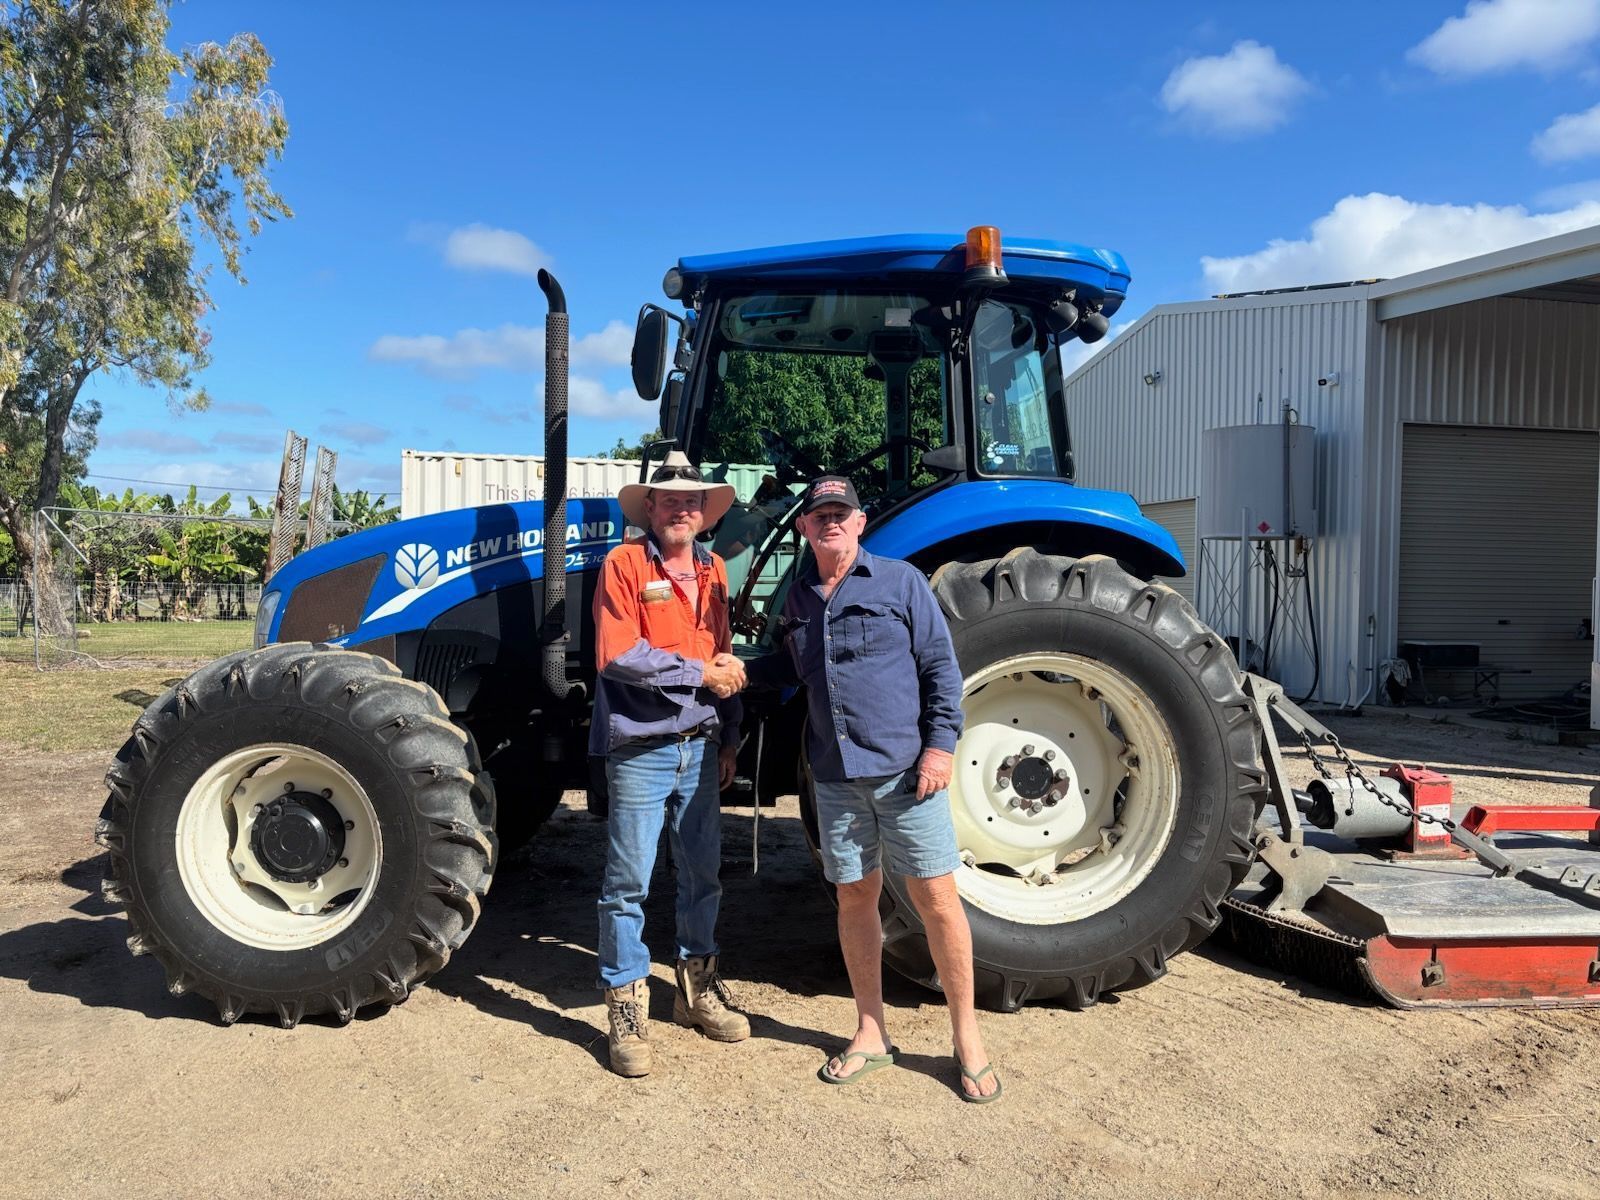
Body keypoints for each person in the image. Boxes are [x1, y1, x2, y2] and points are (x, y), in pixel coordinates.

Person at [753, 474, 1001, 1103]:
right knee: (855, 899)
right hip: (835, 778)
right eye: (819, 514)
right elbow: (790, 667)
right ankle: (870, 1031)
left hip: (904, 775)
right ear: (805, 528)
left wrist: (940, 748)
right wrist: (735, 670)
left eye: (842, 512)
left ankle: (967, 1038)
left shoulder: (901, 582)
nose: (830, 521)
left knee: (937, 900)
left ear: (860, 523)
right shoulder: (801, 597)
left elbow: (942, 669)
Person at [591, 451, 751, 1078]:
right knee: (628, 882)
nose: (681, 508)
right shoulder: (625, 564)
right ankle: (626, 1006)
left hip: (701, 744)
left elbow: (723, 657)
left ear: (704, 514)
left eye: (692, 501)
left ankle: (697, 992)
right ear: (650, 509)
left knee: (702, 872)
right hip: (643, 746)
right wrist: (699, 675)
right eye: (670, 499)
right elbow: (617, 653)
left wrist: (729, 735)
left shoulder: (714, 572)